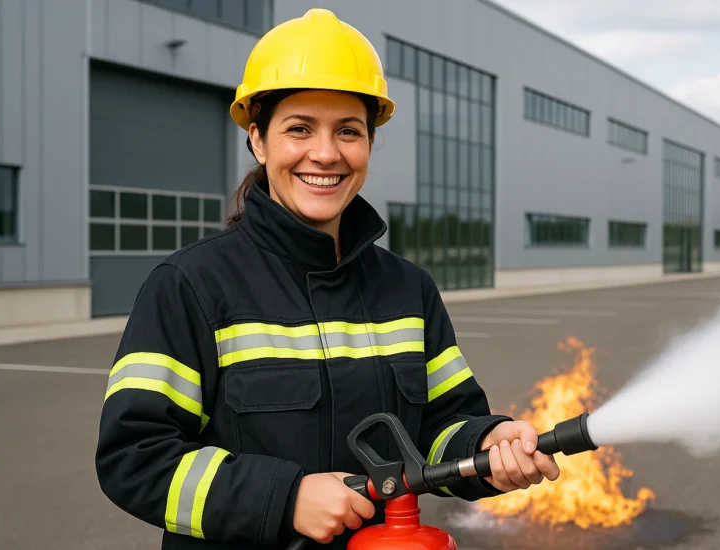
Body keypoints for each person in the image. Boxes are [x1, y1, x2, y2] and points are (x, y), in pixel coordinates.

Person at [95, 8, 560, 550]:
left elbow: (442, 426)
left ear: (367, 145)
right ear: (258, 140)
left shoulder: (409, 290)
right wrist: (284, 497)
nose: (325, 153)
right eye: (299, 129)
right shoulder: (190, 286)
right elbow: (135, 458)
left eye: (348, 131)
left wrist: (489, 444)